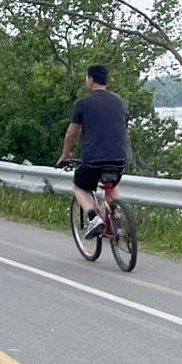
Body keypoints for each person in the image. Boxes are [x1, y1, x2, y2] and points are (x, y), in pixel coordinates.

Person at [57, 64, 129, 236]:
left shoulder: (83, 103)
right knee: (111, 186)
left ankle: (93, 218)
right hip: (118, 158)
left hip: (93, 160)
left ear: (90, 79)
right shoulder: (119, 101)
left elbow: (71, 133)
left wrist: (65, 154)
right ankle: (117, 218)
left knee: (79, 187)